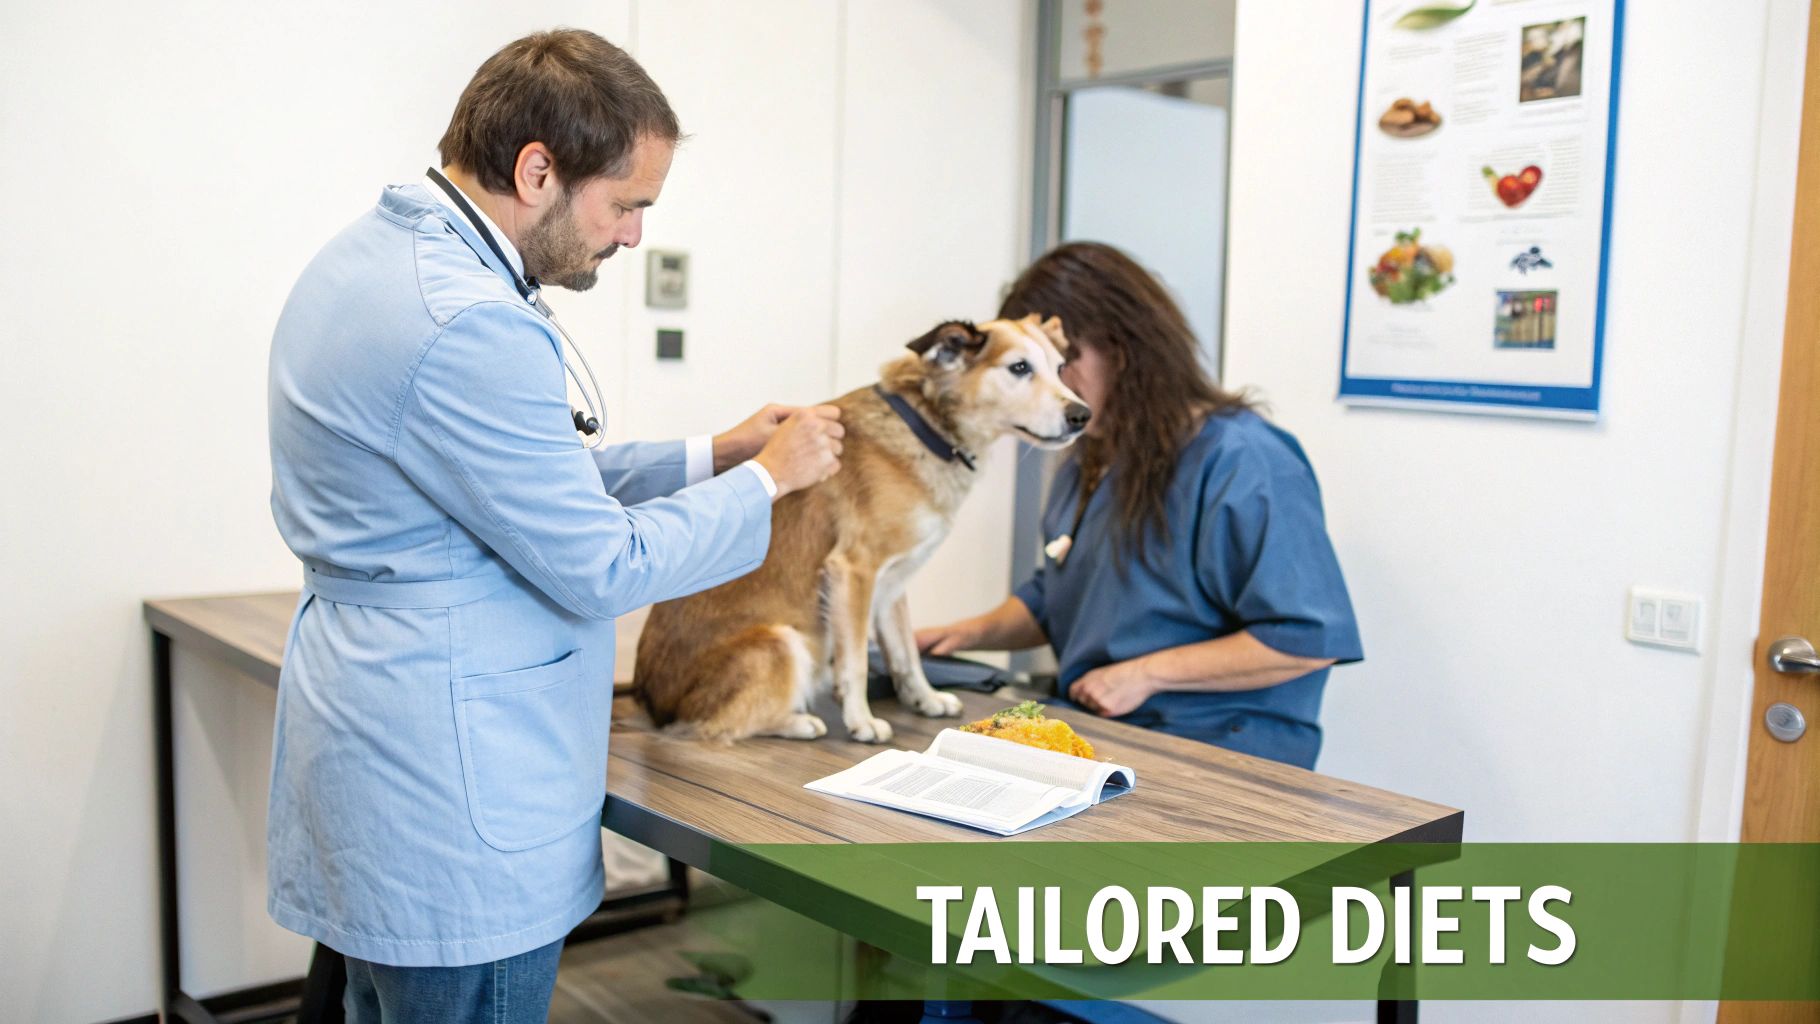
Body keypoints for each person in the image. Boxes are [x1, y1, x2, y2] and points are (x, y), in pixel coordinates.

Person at [265, 29, 843, 1023]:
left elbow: (526, 478)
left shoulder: (374, 260)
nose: (630, 237)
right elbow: (598, 563)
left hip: (379, 745)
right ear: (538, 170)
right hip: (453, 794)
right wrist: (768, 485)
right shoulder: (469, 323)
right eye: (626, 205)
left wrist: (717, 451)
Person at [917, 242, 1362, 770]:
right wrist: (958, 636)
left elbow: (1307, 640)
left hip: (1220, 759)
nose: (1047, 389)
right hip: (1107, 741)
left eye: (1063, 362)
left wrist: (1146, 673)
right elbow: (1065, 590)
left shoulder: (1244, 460)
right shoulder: (1091, 454)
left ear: (1125, 350)